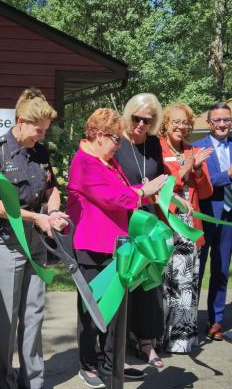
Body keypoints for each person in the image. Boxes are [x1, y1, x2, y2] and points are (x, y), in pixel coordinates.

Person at [0, 88, 68, 389]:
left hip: (36, 242)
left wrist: (53, 212)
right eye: (38, 130)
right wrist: (35, 217)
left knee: (34, 314)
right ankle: (4, 381)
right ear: (21, 121)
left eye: (44, 132)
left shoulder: (39, 151)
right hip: (6, 244)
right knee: (6, 320)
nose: (40, 136)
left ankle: (33, 382)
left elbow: (52, 189)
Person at [66, 107, 167, 388]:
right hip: (92, 247)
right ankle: (88, 364)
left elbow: (125, 191)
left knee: (116, 313)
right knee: (93, 312)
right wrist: (141, 193)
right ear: (99, 135)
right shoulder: (83, 162)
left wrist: (147, 194)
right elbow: (112, 197)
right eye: (115, 139)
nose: (119, 145)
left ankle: (112, 365)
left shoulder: (108, 161)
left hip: (117, 246)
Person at [114, 93, 167, 368]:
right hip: (122, 220)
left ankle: (146, 342)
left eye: (147, 120)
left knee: (150, 285)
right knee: (124, 285)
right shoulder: (117, 141)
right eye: (136, 118)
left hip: (147, 221)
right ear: (128, 114)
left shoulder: (154, 144)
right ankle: (118, 346)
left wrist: (176, 200)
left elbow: (161, 181)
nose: (141, 124)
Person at [158, 103, 213, 353]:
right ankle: (157, 337)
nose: (182, 127)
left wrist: (199, 169)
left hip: (190, 225)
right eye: (176, 122)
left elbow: (206, 191)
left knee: (186, 282)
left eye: (186, 123)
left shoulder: (194, 149)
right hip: (166, 223)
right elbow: (166, 185)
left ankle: (181, 340)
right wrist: (188, 166)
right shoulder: (156, 149)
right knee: (163, 281)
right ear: (165, 124)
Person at [192, 102, 232, 341]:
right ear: (208, 123)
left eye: (226, 120)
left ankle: (215, 321)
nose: (222, 124)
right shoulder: (198, 148)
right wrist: (227, 175)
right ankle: (188, 322)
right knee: (197, 269)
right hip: (206, 215)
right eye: (216, 120)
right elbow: (202, 183)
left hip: (229, 217)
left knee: (221, 269)